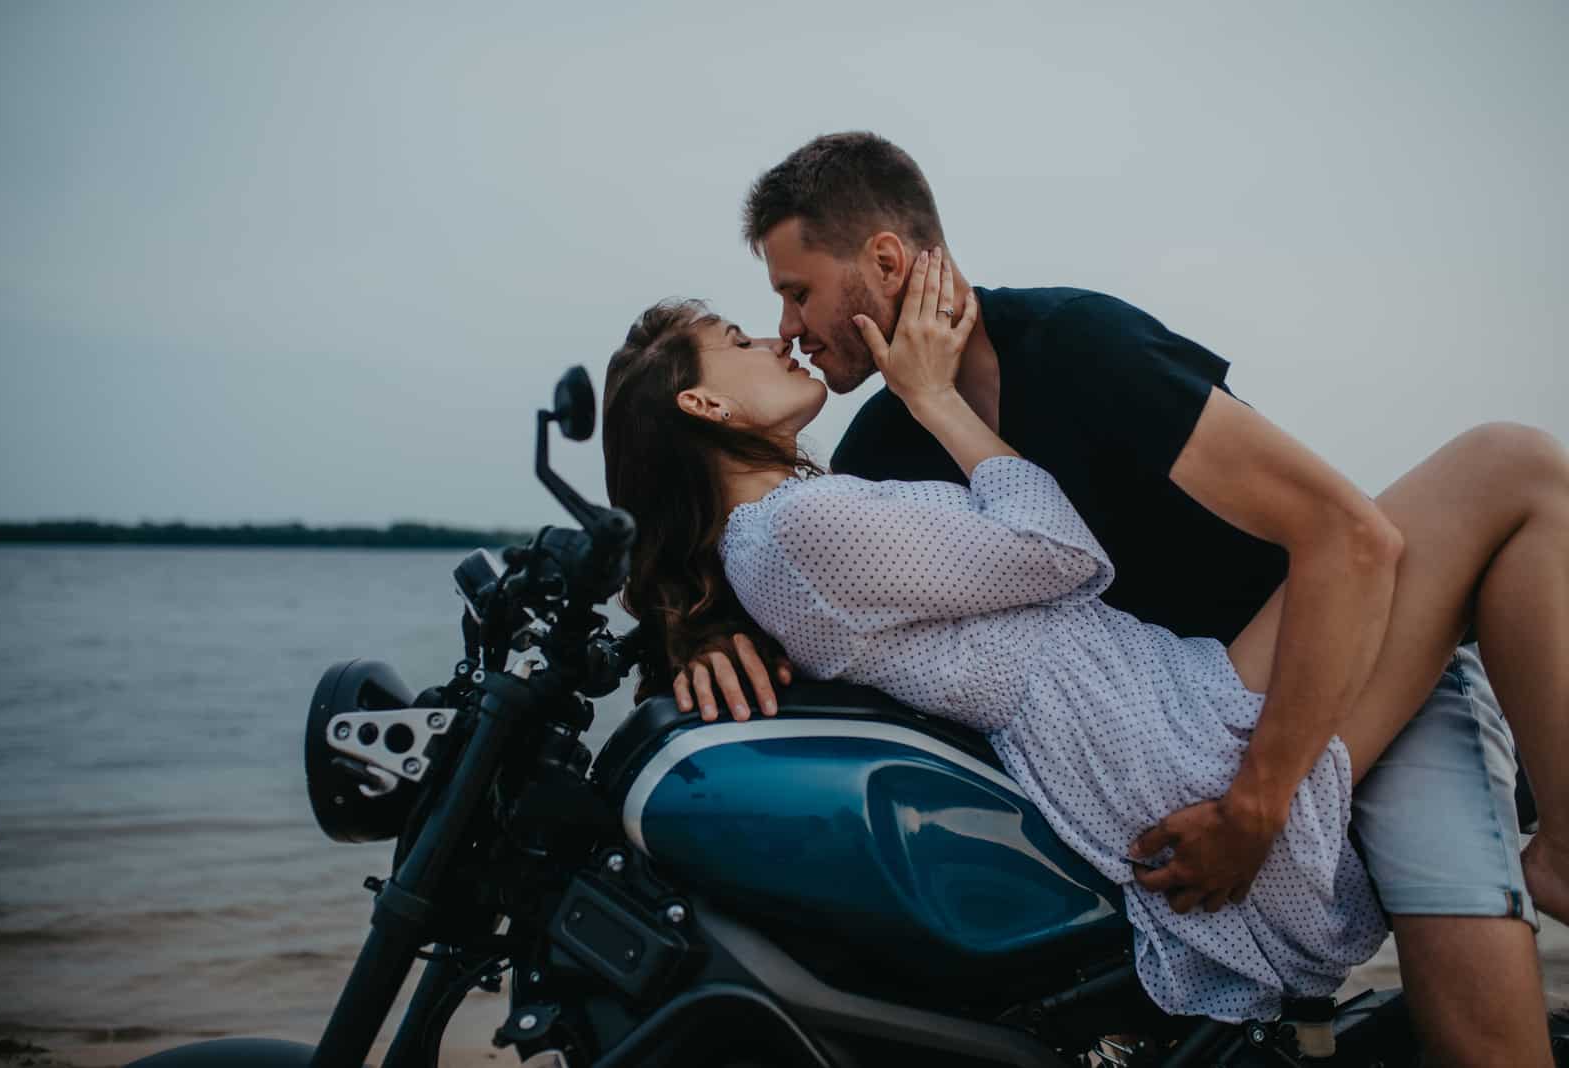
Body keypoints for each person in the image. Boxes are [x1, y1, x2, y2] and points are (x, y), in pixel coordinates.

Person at [659, 132, 1567, 1064]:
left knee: (1492, 1045)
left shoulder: (1082, 347)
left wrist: (1261, 799)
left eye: (797, 291)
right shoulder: (882, 448)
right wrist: (701, 638)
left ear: (885, 261)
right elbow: (804, 576)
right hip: (1194, 734)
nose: (789, 326)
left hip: (1355, 671)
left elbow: (1351, 540)